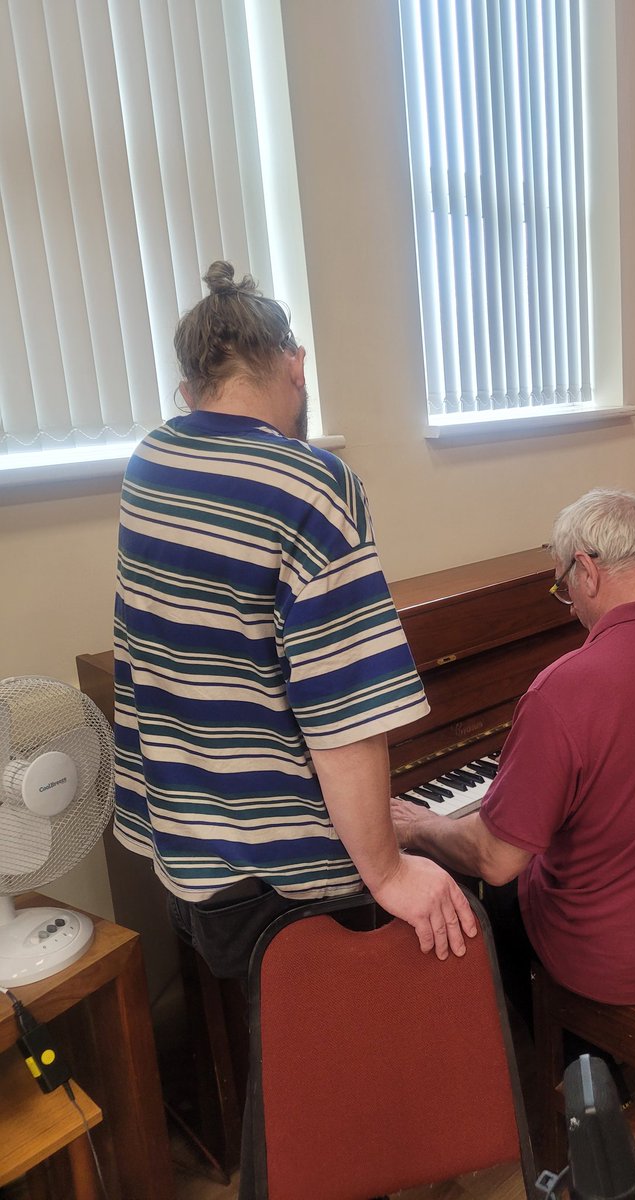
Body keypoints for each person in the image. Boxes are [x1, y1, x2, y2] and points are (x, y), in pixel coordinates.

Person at [113, 261, 477, 980]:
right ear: (295, 365)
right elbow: (344, 709)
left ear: (189, 391)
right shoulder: (312, 485)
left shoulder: (148, 464)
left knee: (277, 1041)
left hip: (189, 861)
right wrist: (389, 872)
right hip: (292, 885)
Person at [392, 488, 635, 1023]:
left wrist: (421, 827)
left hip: (621, 961)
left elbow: (496, 859)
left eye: (564, 587)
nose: (571, 603)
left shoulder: (566, 689)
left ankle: (568, 1054)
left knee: (484, 891)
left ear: (587, 570)